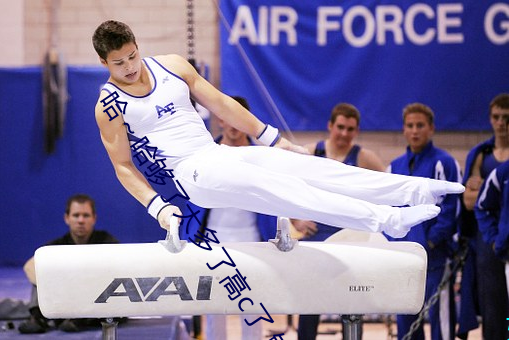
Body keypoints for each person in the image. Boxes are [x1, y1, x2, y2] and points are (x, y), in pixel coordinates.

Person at [92, 20, 463, 247]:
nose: (128, 68)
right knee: (287, 191)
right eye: (118, 63)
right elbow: (123, 166)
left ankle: (412, 189)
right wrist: (158, 208)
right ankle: (386, 220)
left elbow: (221, 103)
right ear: (104, 63)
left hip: (217, 155)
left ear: (138, 46)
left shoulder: (171, 65)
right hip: (191, 175)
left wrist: (272, 138)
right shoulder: (109, 105)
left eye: (132, 56)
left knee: (310, 168)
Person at [181, 96, 275, 340]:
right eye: (228, 118)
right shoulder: (203, 154)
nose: (234, 125)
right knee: (214, 310)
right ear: (220, 119)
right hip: (212, 241)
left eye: (238, 119)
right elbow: (189, 199)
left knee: (254, 308)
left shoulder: (262, 159)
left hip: (254, 241)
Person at [294, 102, 385, 340]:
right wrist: (296, 219)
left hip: (350, 240)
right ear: (330, 126)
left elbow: (388, 192)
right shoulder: (310, 152)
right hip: (317, 235)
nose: (344, 134)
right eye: (340, 127)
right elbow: (284, 189)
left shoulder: (364, 158)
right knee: (309, 302)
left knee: (352, 300)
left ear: (356, 131)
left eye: (350, 129)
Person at [386, 103, 461, 340]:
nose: (415, 131)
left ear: (431, 129)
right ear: (404, 130)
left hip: (435, 257)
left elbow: (451, 209)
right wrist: (394, 243)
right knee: (406, 321)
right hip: (404, 259)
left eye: (420, 125)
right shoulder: (394, 167)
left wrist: (431, 241)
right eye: (410, 126)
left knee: (441, 320)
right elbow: (387, 209)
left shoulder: (444, 163)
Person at [18, 194, 119, 334]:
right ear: (67, 218)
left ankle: (79, 319)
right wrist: (59, 283)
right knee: (41, 270)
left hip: (95, 301)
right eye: (76, 215)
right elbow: (30, 266)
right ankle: (37, 318)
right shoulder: (56, 246)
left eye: (86, 215)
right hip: (64, 297)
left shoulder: (107, 242)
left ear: (94, 218)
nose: (81, 220)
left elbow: (117, 270)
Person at [459, 93, 509, 340]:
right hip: (488, 238)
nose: (501, 123)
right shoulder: (481, 154)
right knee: (492, 304)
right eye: (496, 117)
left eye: (506, 118)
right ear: (490, 119)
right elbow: (468, 202)